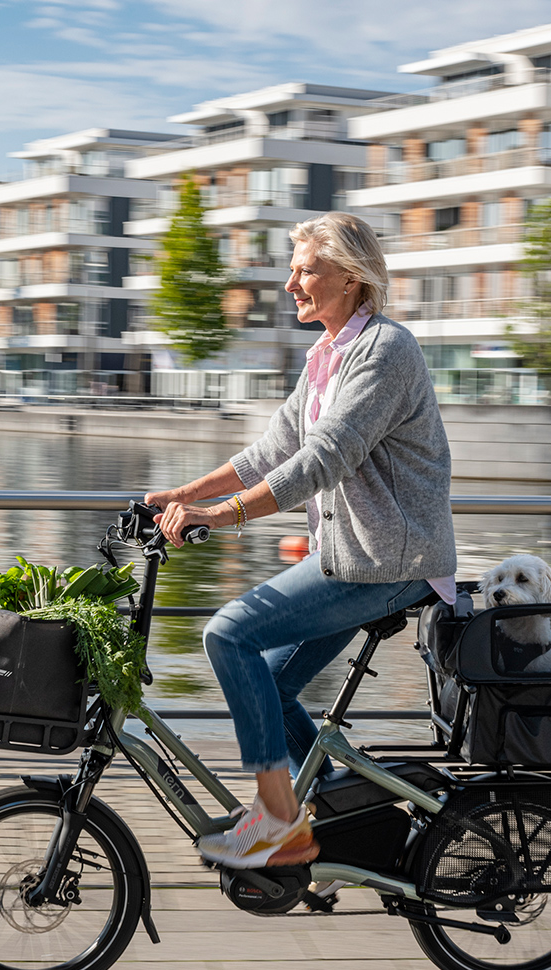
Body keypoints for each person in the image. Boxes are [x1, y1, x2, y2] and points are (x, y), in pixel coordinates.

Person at [146, 211, 456, 870]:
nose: (291, 283)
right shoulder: (329, 356)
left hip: (387, 560)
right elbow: (272, 451)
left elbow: (323, 459)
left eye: (306, 269)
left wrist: (218, 516)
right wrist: (184, 497)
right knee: (275, 687)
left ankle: (280, 822)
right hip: (349, 557)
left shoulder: (385, 350)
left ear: (351, 276)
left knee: (229, 635)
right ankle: (342, 817)